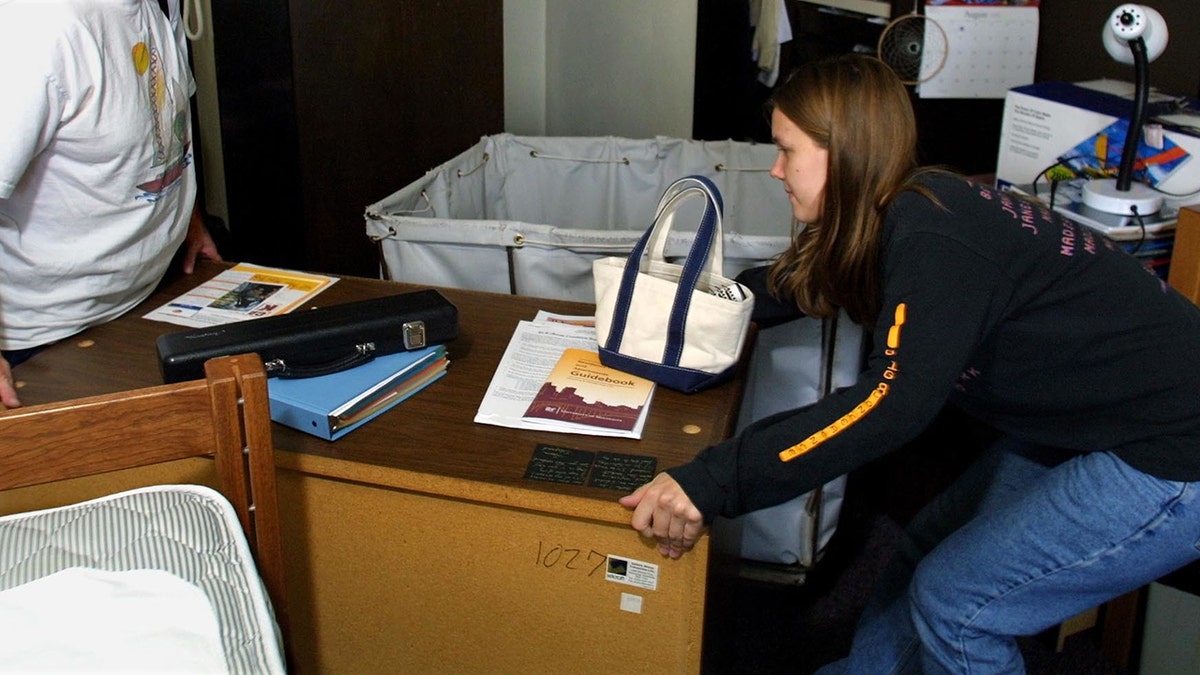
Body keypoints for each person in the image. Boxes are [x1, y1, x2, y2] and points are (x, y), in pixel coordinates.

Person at [619, 53, 1200, 674]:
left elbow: (887, 408)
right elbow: (797, 284)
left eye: (788, 150)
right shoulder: (902, 206)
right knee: (930, 547)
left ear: (843, 152)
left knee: (959, 606)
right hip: (1093, 424)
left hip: (1172, 452)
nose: (775, 168)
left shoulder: (934, 240)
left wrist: (712, 481)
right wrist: (661, 316)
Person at [0, 0, 221, 409]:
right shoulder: (34, 27)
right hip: (46, 342)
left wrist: (186, 218)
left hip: (149, 298)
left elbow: (159, 115)